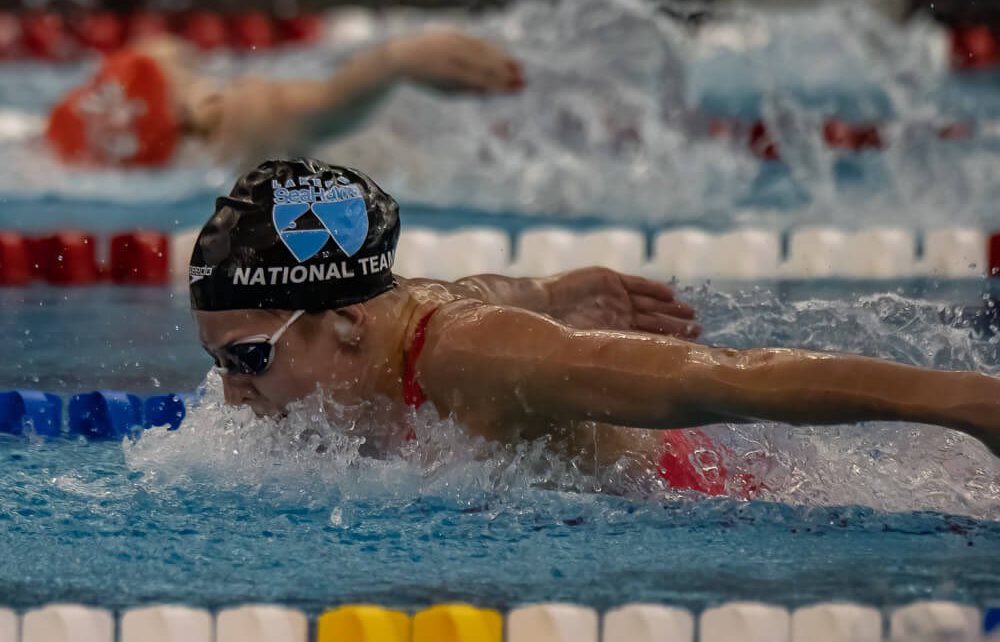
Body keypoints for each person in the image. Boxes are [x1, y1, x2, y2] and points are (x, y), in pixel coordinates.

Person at [190, 158, 1000, 498]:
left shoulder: (480, 357)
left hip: (713, 496)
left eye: (248, 360)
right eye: (221, 363)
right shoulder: (382, 322)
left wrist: (968, 404)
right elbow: (471, 286)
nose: (232, 398)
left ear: (346, 323)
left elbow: (728, 378)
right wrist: (550, 288)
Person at [44, 30, 523, 167]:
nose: (175, 46)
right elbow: (332, 101)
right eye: (162, 59)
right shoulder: (240, 114)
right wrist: (399, 57)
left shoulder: (199, 140)